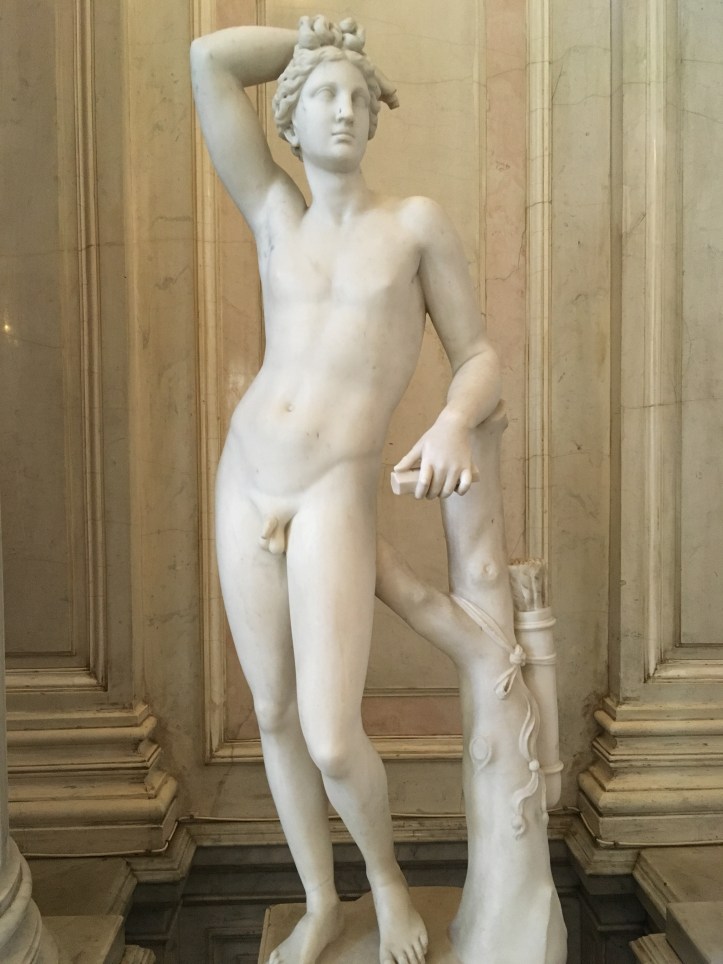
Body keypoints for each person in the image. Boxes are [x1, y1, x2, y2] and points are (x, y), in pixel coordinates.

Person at [190, 16, 501, 964]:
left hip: (334, 490)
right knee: (272, 712)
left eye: (359, 97)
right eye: (324, 95)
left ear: (375, 117)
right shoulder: (272, 213)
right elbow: (209, 60)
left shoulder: (412, 225)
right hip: (246, 479)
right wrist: (311, 41)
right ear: (287, 117)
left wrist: (451, 422)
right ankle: (321, 902)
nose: (343, 109)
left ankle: (387, 882)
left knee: (329, 735)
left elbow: (479, 355)